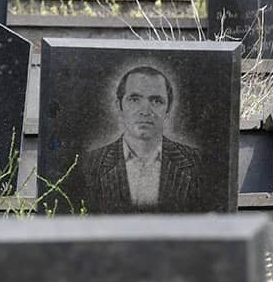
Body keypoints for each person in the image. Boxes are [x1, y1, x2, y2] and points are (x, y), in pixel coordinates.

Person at [70, 65, 210, 213]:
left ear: (168, 110)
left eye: (156, 101)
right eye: (134, 99)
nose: (145, 111)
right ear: (119, 106)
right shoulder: (89, 163)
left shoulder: (197, 162)